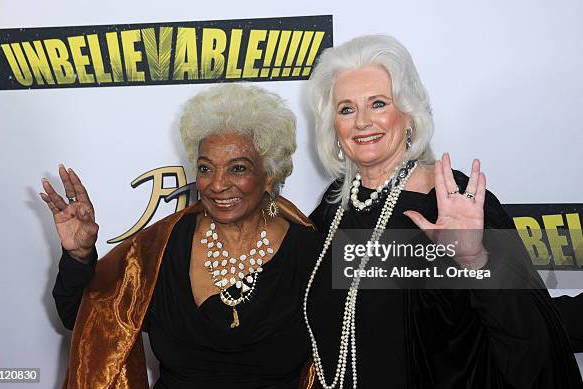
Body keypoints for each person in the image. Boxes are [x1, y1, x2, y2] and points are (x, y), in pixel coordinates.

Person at [300, 35, 582, 388]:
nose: (361, 122)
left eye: (378, 103)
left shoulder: (454, 200)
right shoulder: (333, 206)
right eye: (346, 109)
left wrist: (475, 261)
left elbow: (531, 337)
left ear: (409, 115)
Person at [41, 84, 322, 388]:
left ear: (268, 176)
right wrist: (78, 256)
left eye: (237, 168)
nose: (217, 184)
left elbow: (353, 343)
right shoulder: (159, 248)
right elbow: (85, 318)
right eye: (206, 168)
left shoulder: (308, 251)